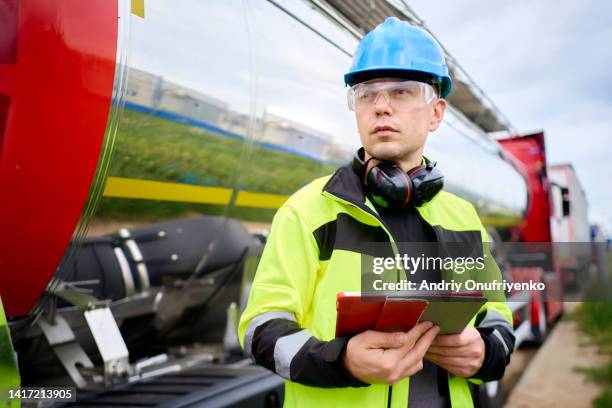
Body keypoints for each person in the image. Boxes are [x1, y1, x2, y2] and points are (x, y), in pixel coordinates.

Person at [238, 17, 515, 407]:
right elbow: (258, 329)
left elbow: (497, 317)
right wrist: (342, 361)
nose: (381, 107)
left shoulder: (463, 218)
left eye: (401, 92)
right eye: (366, 93)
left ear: (436, 113)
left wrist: (486, 352)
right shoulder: (307, 212)